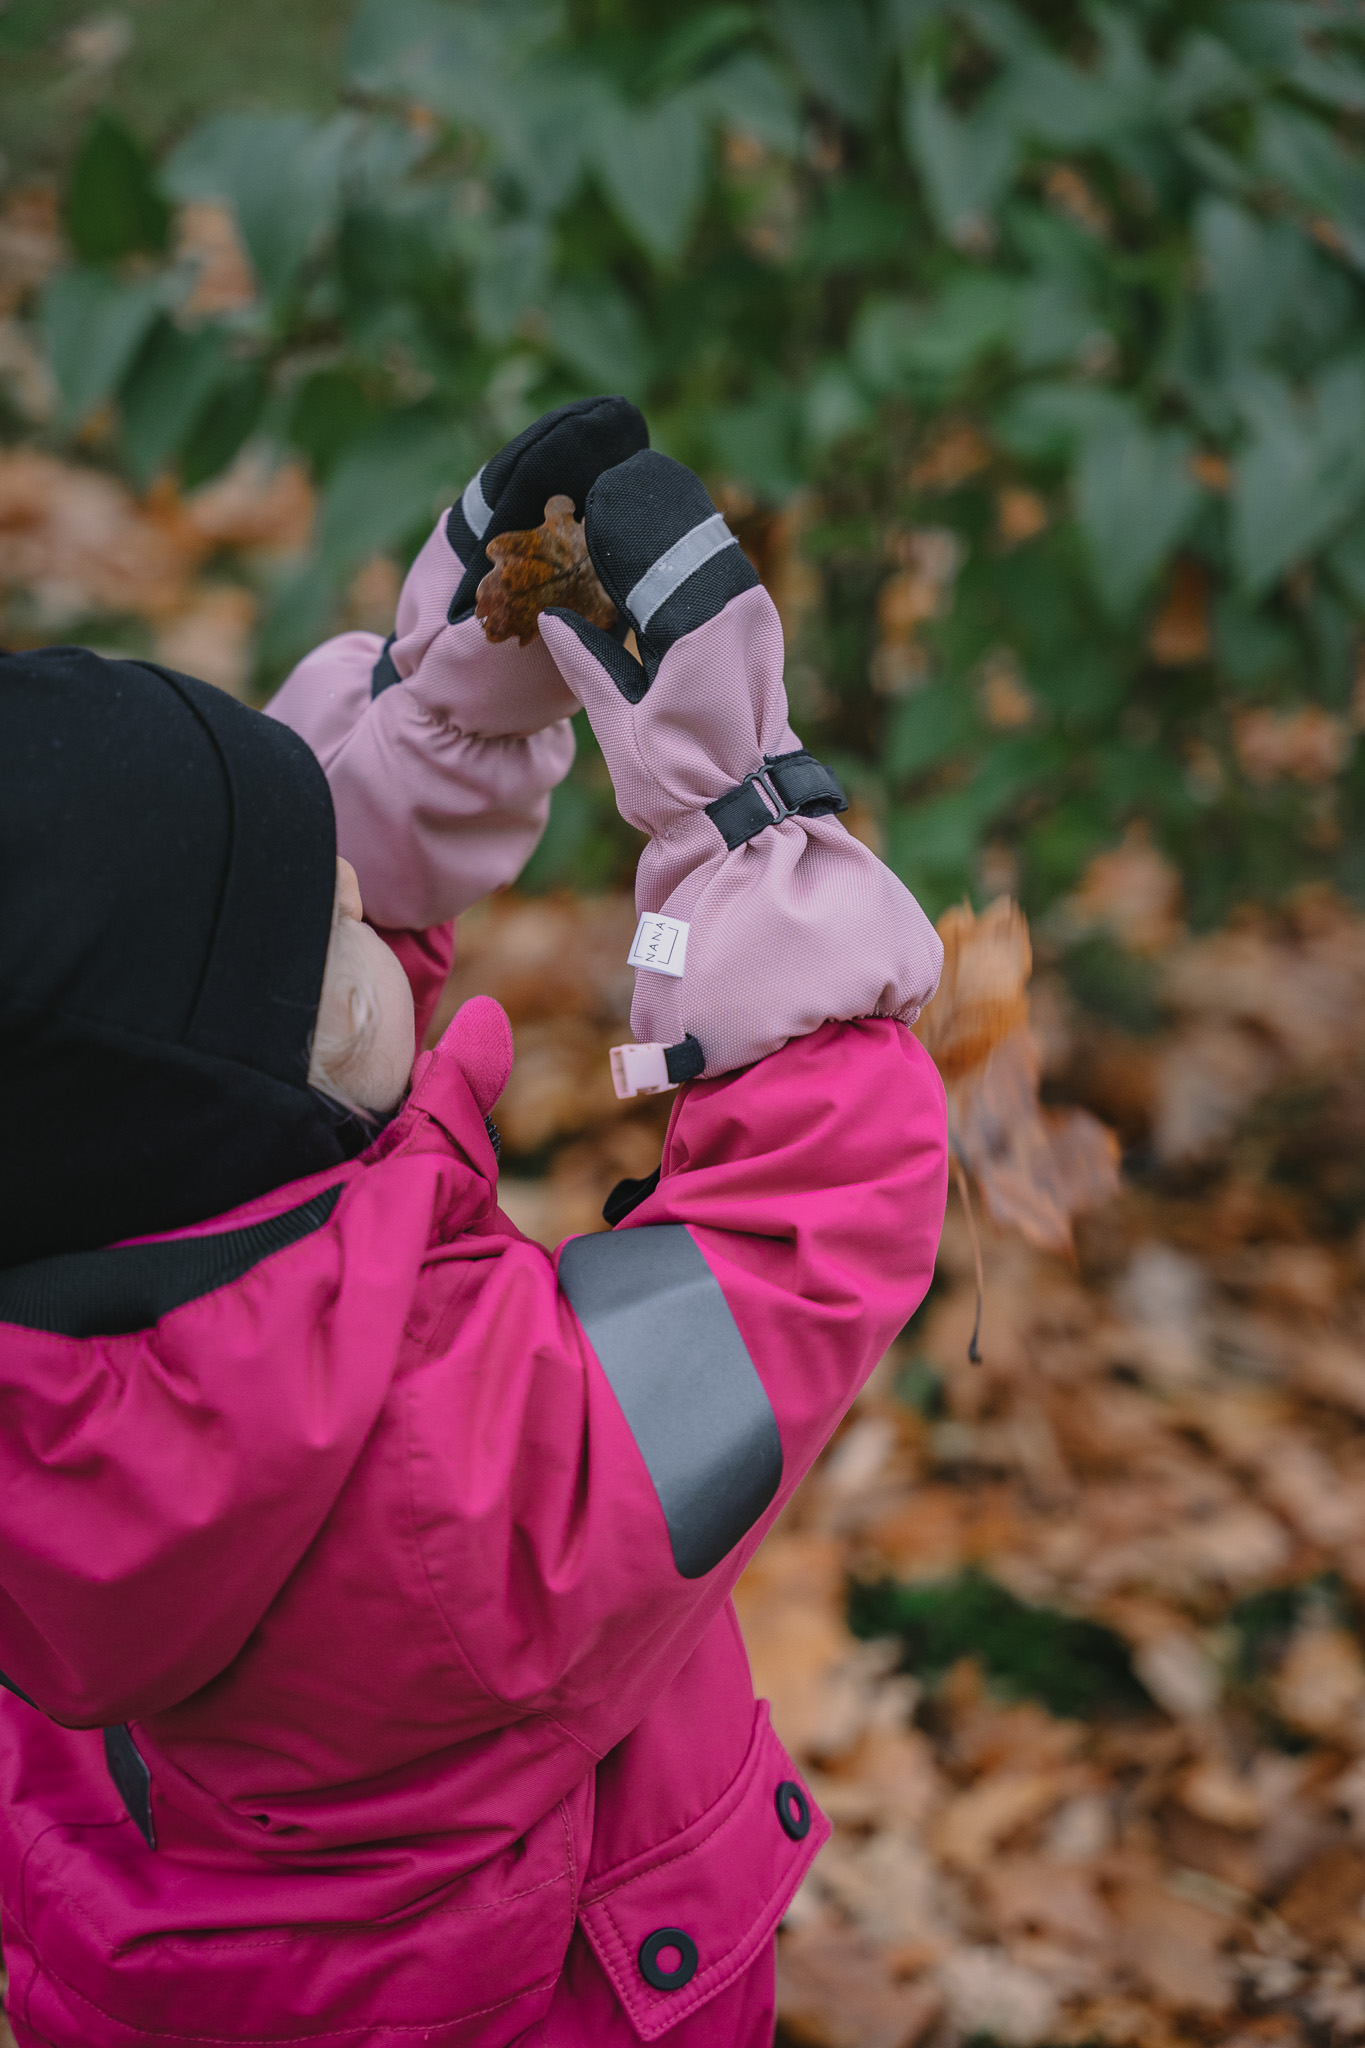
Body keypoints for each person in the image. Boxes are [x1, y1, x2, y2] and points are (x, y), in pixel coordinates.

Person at [0, 398, 947, 2047]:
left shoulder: (81, 1304)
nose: (375, 917)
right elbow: (798, 1248)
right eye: (345, 927)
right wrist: (743, 829)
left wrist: (430, 734)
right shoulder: (460, 1471)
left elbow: (244, 1074)